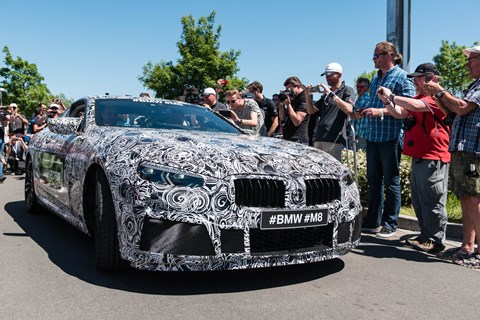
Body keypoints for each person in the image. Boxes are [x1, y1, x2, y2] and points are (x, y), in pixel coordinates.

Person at [377, 62, 450, 253]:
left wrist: (392, 96)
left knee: (432, 200)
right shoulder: (419, 96)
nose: (415, 81)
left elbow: (416, 106)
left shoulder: (437, 97)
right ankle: (425, 235)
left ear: (431, 77)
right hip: (420, 155)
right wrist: (387, 102)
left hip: (433, 156)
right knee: (420, 200)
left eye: (418, 77)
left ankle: (436, 240)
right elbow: (400, 113)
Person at [423, 45, 480, 268]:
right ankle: (468, 246)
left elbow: (463, 108)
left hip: (473, 152)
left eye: (471, 60)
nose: (467, 64)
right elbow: (452, 113)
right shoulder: (473, 85)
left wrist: (440, 92)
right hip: (462, 150)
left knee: (474, 198)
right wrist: (438, 97)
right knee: (467, 197)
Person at [360, 41, 415, 238]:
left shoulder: (402, 77)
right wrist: (365, 110)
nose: (373, 59)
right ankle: (373, 220)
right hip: (373, 136)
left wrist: (380, 110)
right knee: (374, 180)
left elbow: (408, 108)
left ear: (388, 56)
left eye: (376, 56)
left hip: (391, 136)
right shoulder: (375, 78)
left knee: (391, 181)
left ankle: (390, 223)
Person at [305, 62, 355, 161]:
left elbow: (349, 109)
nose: (327, 77)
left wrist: (330, 93)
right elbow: (311, 111)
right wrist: (307, 95)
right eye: (326, 75)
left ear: (339, 75)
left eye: (330, 74)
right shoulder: (325, 95)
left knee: (333, 172)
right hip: (319, 137)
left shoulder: (347, 90)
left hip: (334, 139)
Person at [278, 76, 309, 144]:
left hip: (298, 140)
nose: (288, 92)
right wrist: (282, 104)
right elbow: (282, 118)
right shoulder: (292, 98)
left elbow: (297, 121)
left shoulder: (304, 98)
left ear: (297, 86)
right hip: (288, 138)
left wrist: (288, 105)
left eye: (289, 89)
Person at [351, 77, 371, 150]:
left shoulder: (365, 98)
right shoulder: (358, 99)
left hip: (361, 136)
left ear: (367, 88)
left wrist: (348, 111)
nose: (359, 89)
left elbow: (358, 115)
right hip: (357, 135)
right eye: (357, 86)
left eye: (361, 87)